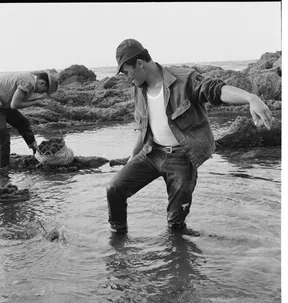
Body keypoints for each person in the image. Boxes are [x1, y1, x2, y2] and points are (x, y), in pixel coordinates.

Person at [106, 39, 273, 234]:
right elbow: (144, 128)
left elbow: (216, 90)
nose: (126, 77)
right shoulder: (138, 88)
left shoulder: (184, 80)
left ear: (140, 63)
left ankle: (179, 255)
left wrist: (251, 98)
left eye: (126, 71)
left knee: (175, 226)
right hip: (152, 153)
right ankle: (118, 244)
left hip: (181, 159)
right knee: (114, 189)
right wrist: (132, 157)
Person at [0, 70, 59, 175]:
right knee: (3, 135)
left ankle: (37, 153)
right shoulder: (28, 82)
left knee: (23, 123)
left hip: (3, 103)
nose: (42, 93)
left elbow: (14, 102)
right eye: (44, 90)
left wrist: (36, 101)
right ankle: (2, 172)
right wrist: (35, 103)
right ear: (42, 83)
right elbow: (14, 105)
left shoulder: (30, 81)